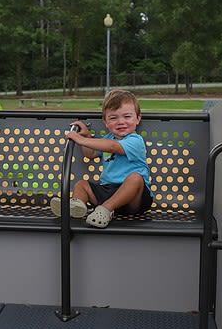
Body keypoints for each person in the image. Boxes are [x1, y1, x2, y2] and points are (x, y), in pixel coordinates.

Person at [50, 89, 153, 228]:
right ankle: (75, 207)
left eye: (127, 116)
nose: (120, 122)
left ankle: (105, 209)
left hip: (134, 199)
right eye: (113, 118)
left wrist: (79, 139)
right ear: (105, 121)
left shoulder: (135, 140)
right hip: (108, 191)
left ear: (138, 118)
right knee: (81, 184)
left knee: (135, 178)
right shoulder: (107, 139)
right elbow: (90, 154)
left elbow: (113, 147)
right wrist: (86, 137)